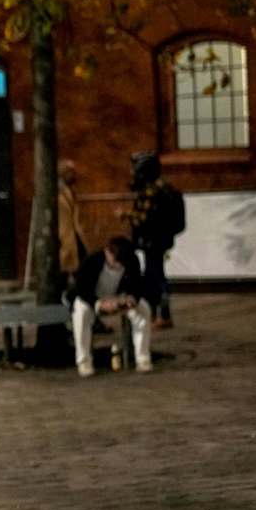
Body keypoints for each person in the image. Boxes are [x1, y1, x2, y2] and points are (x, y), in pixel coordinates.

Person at [67, 235, 157, 377]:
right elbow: (82, 288)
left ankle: (143, 357)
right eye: (115, 260)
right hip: (92, 297)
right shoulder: (91, 261)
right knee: (81, 313)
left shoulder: (131, 260)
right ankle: (84, 361)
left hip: (118, 295)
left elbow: (137, 283)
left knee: (143, 309)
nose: (118, 265)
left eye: (122, 262)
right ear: (107, 252)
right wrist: (98, 304)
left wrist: (132, 298)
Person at [126, 151, 184, 329]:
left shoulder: (150, 190)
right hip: (162, 239)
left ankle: (161, 315)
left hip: (151, 240)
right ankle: (155, 313)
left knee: (155, 276)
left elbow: (143, 219)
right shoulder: (164, 187)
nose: (131, 172)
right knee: (153, 274)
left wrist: (125, 215)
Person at [58, 159, 87, 282]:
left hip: (73, 234)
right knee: (64, 267)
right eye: (71, 172)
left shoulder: (71, 191)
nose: (74, 176)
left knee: (79, 263)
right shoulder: (57, 192)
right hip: (63, 236)